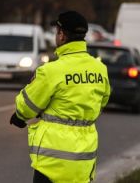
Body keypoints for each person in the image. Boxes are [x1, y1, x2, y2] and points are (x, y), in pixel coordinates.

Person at [9, 11, 111, 183]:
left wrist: (19, 116)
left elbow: (28, 105)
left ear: (62, 35)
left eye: (57, 32)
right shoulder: (100, 69)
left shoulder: (51, 71)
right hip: (83, 162)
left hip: (51, 162)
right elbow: (102, 102)